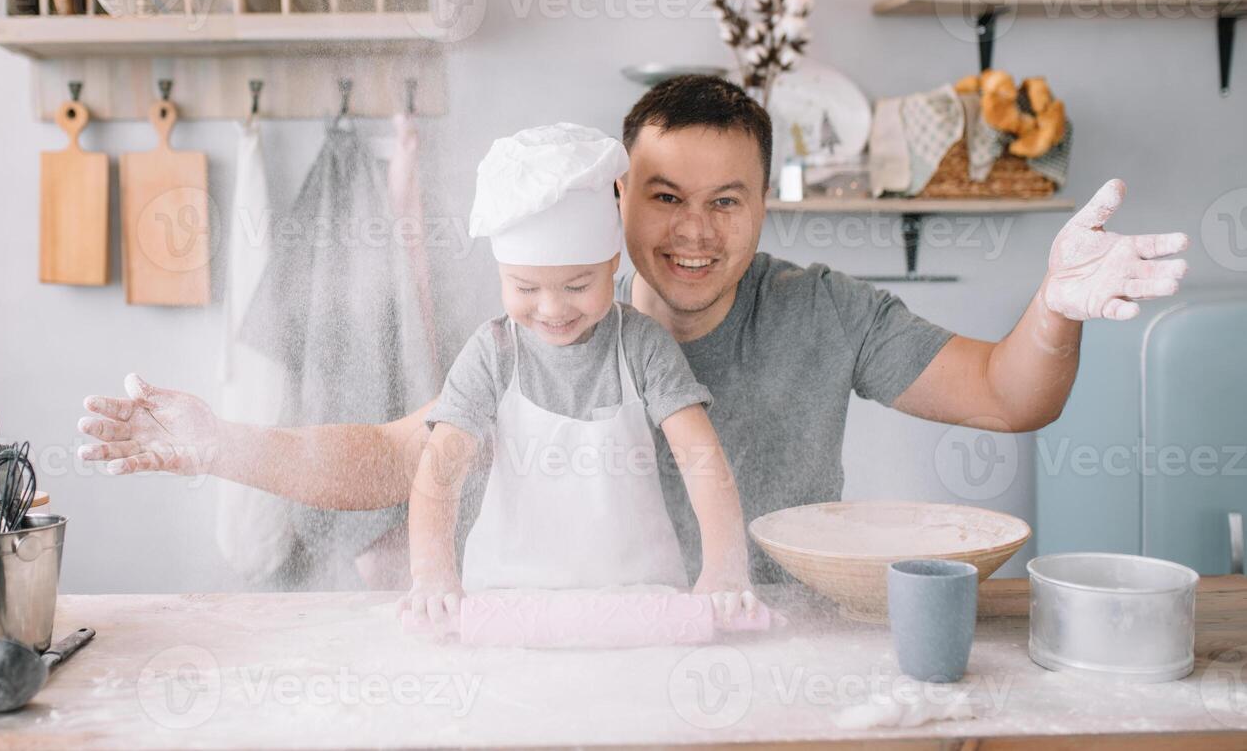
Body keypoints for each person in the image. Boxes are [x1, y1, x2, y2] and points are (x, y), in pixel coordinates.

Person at [78, 76, 1189, 582]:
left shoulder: (824, 310)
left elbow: (1010, 395)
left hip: (774, 654)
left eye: (728, 199)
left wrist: (1052, 306)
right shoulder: (545, 324)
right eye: (665, 196)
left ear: (765, 203)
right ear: (615, 201)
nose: (695, 232)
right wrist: (221, 440)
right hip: (573, 663)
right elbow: (388, 453)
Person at [402, 123, 756, 627]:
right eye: (525, 287)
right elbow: (441, 467)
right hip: (507, 603)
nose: (551, 308)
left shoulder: (641, 345)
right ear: (501, 273)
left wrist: (725, 569)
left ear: (611, 261)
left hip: (642, 604)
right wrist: (433, 573)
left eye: (577, 284)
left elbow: (700, 458)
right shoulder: (492, 353)